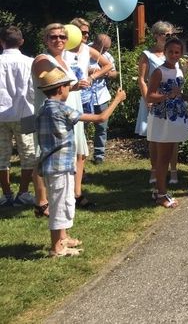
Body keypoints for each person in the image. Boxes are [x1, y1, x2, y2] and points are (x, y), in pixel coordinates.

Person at [35, 67, 125, 257]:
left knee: (60, 201)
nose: (70, 89)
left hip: (50, 166)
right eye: (68, 86)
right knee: (60, 205)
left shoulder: (44, 108)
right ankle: (57, 248)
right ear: (60, 89)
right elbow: (100, 117)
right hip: (61, 166)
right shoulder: (61, 109)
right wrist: (117, 99)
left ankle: (62, 238)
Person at [63, 18, 112, 207]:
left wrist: (92, 76)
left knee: (80, 150)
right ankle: (58, 193)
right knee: (66, 148)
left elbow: (107, 65)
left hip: (81, 100)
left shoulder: (87, 50)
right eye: (82, 32)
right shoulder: (62, 51)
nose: (85, 36)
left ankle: (76, 193)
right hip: (64, 101)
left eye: (87, 33)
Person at [31, 24, 79, 218]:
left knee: (63, 154)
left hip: (66, 111)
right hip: (49, 114)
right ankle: (42, 201)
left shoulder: (66, 59)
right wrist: (75, 87)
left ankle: (62, 197)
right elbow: (49, 83)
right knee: (45, 156)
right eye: (53, 37)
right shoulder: (43, 59)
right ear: (45, 40)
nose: (58, 40)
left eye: (62, 36)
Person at [0, 26, 46, 208]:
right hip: (25, 113)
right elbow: (32, 90)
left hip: (1, 115)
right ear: (21, 42)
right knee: (28, 154)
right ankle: (23, 192)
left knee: (2, 156)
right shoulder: (30, 62)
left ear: (2, 42)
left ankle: (7, 194)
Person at [146, 36, 188, 208]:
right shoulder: (159, 71)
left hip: (176, 117)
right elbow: (150, 95)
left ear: (181, 54)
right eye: (170, 51)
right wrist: (167, 95)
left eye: (177, 52)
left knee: (168, 154)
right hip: (162, 118)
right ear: (164, 52)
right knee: (163, 158)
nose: (173, 55)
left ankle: (159, 190)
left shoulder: (178, 70)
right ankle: (162, 195)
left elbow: (177, 93)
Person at [135, 21, 179, 185]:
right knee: (154, 138)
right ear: (156, 36)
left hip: (171, 101)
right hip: (153, 100)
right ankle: (154, 170)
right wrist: (148, 99)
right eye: (165, 35)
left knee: (173, 137)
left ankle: (173, 170)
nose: (169, 37)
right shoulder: (147, 55)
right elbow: (142, 79)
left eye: (171, 35)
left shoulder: (173, 54)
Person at [85, 33, 119, 164]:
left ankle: (99, 155)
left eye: (107, 49)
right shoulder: (84, 51)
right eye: (103, 49)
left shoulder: (107, 56)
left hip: (101, 95)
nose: (105, 51)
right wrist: (91, 72)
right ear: (96, 44)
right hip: (85, 95)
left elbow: (114, 73)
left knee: (102, 127)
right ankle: (82, 153)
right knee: (83, 126)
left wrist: (109, 74)